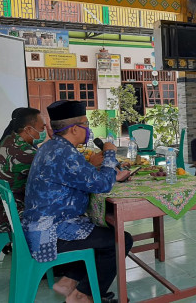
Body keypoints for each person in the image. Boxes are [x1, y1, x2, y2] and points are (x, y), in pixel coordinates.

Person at [22, 100, 133, 303]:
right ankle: (82, 296)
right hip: (51, 231)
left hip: (41, 223)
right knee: (120, 240)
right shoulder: (64, 153)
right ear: (74, 129)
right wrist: (109, 154)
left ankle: (69, 282)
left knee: (99, 228)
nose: (89, 129)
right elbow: (101, 186)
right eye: (86, 124)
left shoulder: (52, 147)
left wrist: (108, 173)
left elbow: (82, 177)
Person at [0, 108, 46, 233]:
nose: (44, 132)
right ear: (28, 129)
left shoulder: (9, 140)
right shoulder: (25, 152)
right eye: (42, 128)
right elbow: (56, 172)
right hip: (5, 214)